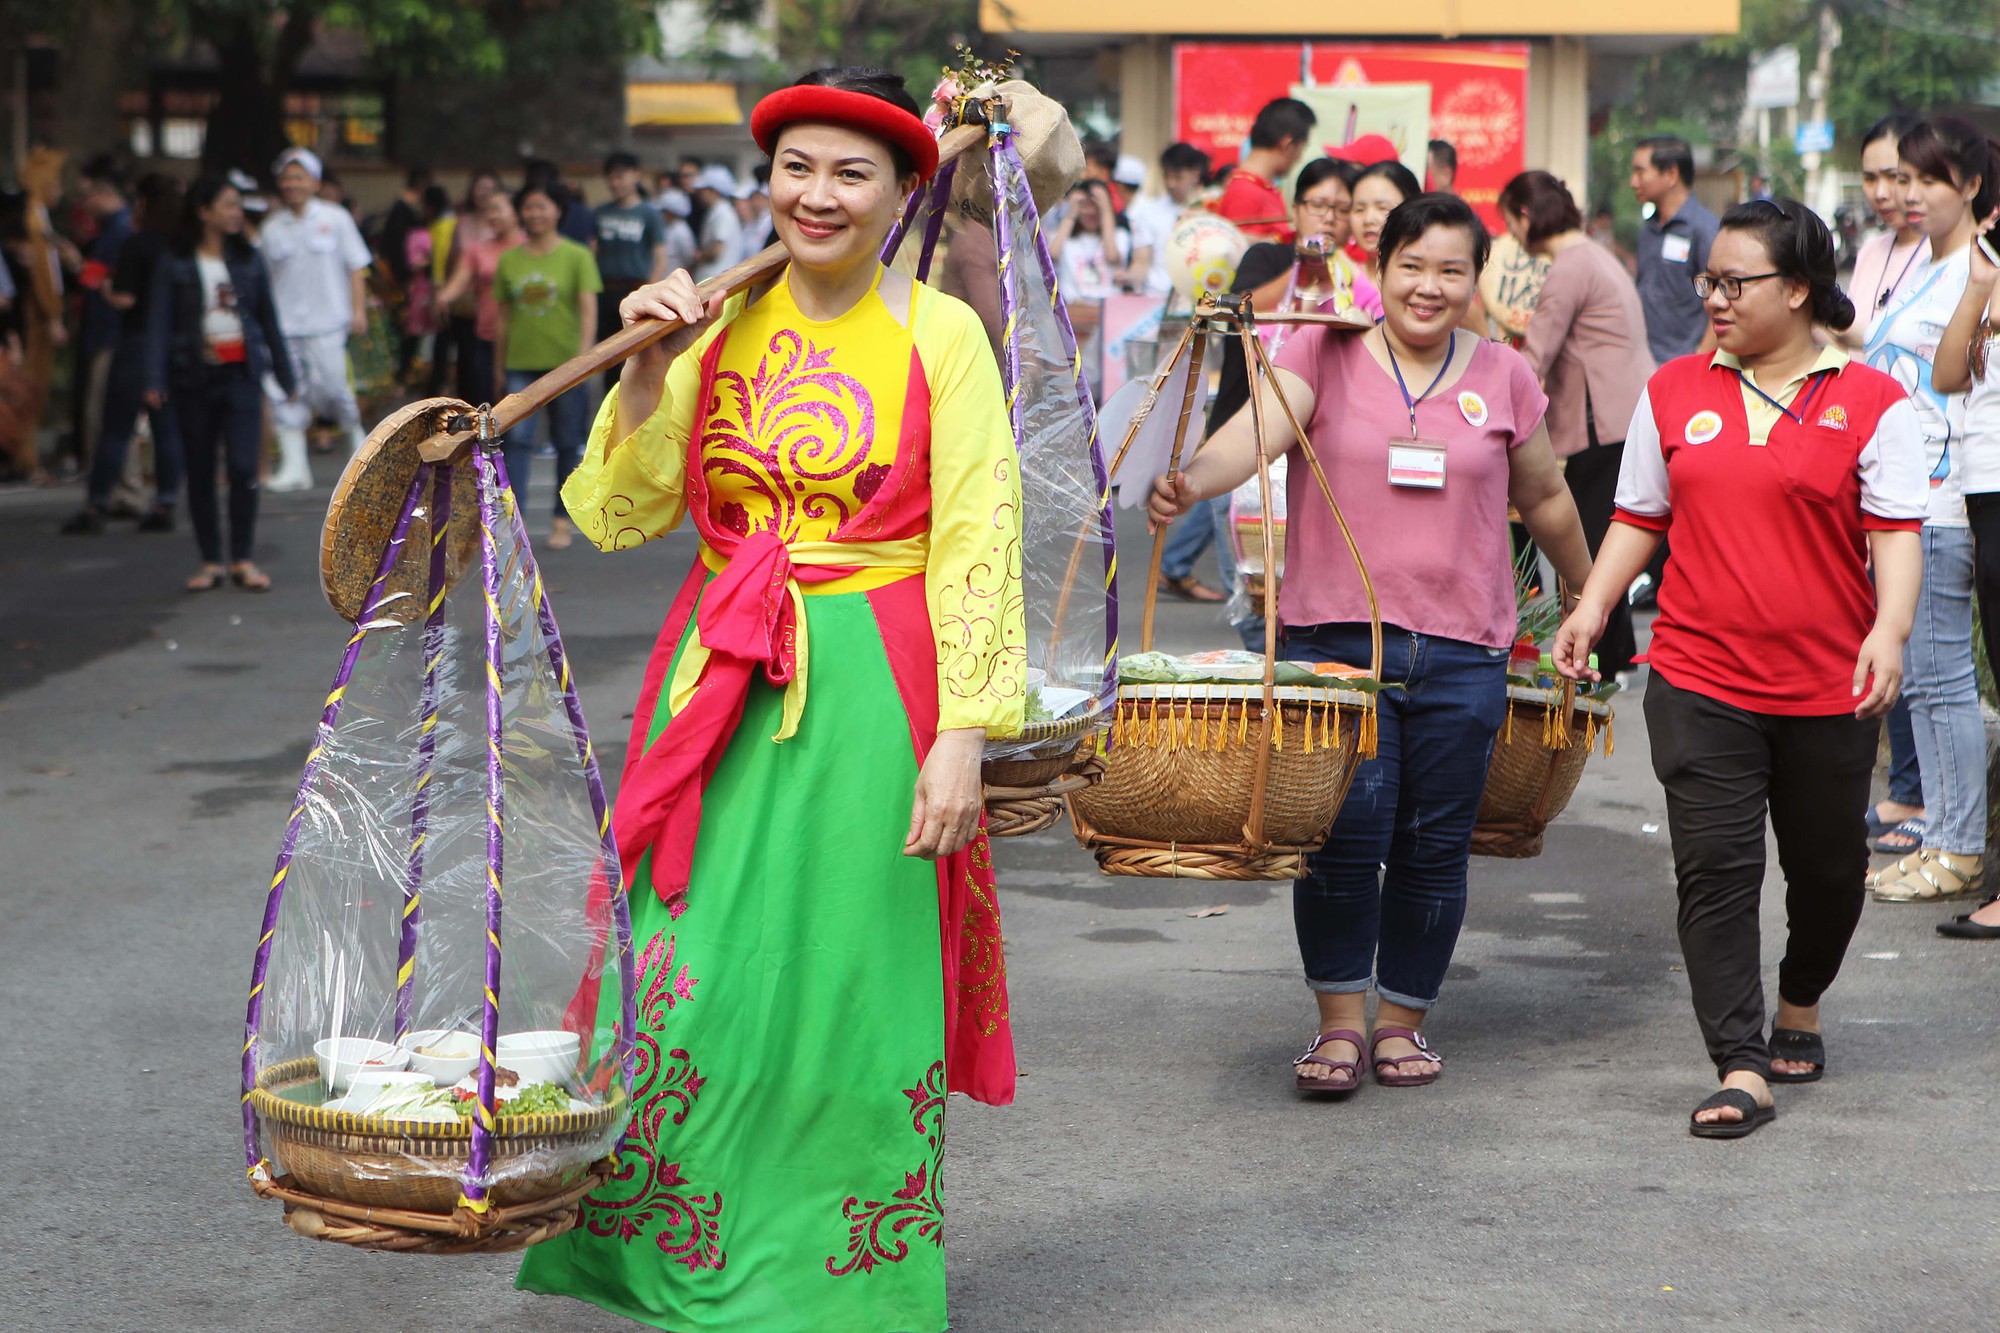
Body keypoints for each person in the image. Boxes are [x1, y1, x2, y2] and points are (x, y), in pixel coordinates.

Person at [513, 64, 1024, 1331]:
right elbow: (619, 513)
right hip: (718, 683)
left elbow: (977, 535)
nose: (816, 193)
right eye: (796, 166)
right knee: (694, 966)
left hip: (871, 684)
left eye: (851, 171)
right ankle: (668, 1251)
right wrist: (646, 369)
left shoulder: (940, 335)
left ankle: (832, 1280)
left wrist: (960, 738)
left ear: (905, 190)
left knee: (848, 983)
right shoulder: (717, 318)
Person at [1147, 192, 1593, 1098]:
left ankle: (1404, 1020)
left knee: (1434, 842)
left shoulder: (1504, 373)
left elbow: (1543, 494)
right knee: (1345, 835)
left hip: (1466, 648)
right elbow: (1257, 434)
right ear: (1380, 267)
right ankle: (1340, 1025)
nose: (1430, 288)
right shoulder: (1323, 348)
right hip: (1337, 645)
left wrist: (1587, 590)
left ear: (1477, 280)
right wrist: (1191, 480)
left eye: (1451, 271)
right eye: (1412, 266)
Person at [1553, 199, 1925, 1136]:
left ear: (1798, 290)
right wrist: (1593, 606)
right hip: (1700, 672)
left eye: (1735, 283)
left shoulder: (1872, 400)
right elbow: (1640, 512)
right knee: (1714, 870)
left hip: (1826, 684)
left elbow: (1895, 533)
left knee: (1831, 869)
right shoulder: (1675, 388)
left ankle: (1799, 999)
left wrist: (1890, 629)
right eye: (1706, 281)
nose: (1712, 299)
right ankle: (1741, 1059)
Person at [1862, 116, 1994, 905]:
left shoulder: (1976, 270)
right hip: (1905, 500)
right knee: (1922, 681)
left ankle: (1959, 845)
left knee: (1944, 684)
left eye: (1927, 180)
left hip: (1944, 500)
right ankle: (1942, 835)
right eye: (1902, 178)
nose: (1909, 194)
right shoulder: (1923, 266)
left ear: (1972, 187)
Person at [1501, 169, 1657, 677]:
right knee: (1602, 539)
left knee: (1588, 545)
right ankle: (1613, 658)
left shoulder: (1570, 266)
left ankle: (1601, 661)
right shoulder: (1594, 254)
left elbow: (1535, 357)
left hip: (1603, 423)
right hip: (1625, 414)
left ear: (1525, 218)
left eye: (1510, 224)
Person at [1843, 111, 1931, 857]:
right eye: (1873, 177)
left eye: (1899, 176)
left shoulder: (1950, 255)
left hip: (1931, 460)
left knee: (1918, 633)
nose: (1885, 191)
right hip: (1865, 449)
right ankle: (1905, 785)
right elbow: (1860, 336)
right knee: (1886, 618)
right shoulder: (1872, 250)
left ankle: (1920, 795)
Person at [144, 175, 296, 593]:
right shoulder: (174, 262)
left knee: (245, 468)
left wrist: (284, 374)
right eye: (228, 205)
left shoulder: (248, 259)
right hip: (193, 376)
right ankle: (211, 560)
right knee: (200, 467)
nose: (236, 214)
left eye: (238, 206)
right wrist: (154, 377)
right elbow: (158, 322)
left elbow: (268, 320)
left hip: (241, 376)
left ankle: (243, 559)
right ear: (203, 211)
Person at [60, 172, 183, 536]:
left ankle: (96, 501)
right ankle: (166, 501)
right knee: (166, 428)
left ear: (144, 205)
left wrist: (104, 285)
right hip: (170, 344)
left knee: (115, 426)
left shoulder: (137, 244)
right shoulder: (179, 246)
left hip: (135, 342)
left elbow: (123, 298)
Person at [492, 182, 601, 549]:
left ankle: (561, 521)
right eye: (528, 207)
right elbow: (503, 317)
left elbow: (588, 309)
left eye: (542, 206)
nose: (534, 214)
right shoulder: (510, 259)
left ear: (557, 211)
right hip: (520, 364)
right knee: (516, 444)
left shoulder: (576, 255)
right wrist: (499, 363)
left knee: (568, 443)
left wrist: (585, 360)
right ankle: (515, 523)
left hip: (566, 366)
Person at [260, 147, 372, 491]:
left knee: (335, 387)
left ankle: (362, 457)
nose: (292, 184)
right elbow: (263, 278)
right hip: (285, 326)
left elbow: (356, 266)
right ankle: (295, 467)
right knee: (285, 393)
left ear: (314, 181)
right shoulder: (272, 227)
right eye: (287, 178)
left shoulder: (335, 218)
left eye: (299, 177)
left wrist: (359, 310)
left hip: (328, 323)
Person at [1630, 135, 1720, 365]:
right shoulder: (1648, 230)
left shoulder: (1704, 230)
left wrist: (1699, 359)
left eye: (1641, 172)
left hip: (1686, 364)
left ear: (1671, 174)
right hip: (1646, 363)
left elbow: (1720, 299)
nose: (1633, 181)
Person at [434, 186, 523, 410]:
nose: (492, 216)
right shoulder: (478, 249)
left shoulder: (529, 247)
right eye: (488, 211)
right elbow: (458, 281)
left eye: (498, 209)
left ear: (516, 212)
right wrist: (442, 299)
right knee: (488, 404)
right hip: (487, 335)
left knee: (520, 406)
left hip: (524, 338)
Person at [593, 151, 667, 396]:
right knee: (607, 355)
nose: (616, 182)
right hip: (605, 291)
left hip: (635, 289)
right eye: (611, 177)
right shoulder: (601, 213)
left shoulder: (649, 214)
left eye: (621, 176)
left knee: (635, 353)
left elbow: (660, 254)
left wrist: (650, 288)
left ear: (636, 176)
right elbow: (593, 252)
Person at [1047, 178, 1128, 393]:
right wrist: (1071, 214)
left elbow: (1112, 255)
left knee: (1103, 380)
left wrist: (1106, 210)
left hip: (1106, 319)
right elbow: (1051, 255)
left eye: (1096, 206)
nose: (1090, 212)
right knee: (1074, 381)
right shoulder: (1065, 238)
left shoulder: (1118, 236)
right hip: (1074, 316)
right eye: (1086, 206)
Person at [1212, 97, 1318, 243]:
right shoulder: (1245, 193)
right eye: (1301, 148)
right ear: (1287, 144)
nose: (1299, 157)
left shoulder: (1261, 188)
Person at [1122, 141, 1210, 297]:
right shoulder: (1148, 213)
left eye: (1178, 177)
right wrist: (1130, 279)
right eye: (1166, 177)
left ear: (1195, 174)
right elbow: (1141, 260)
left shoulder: (1210, 211)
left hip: (1201, 298)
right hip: (1158, 297)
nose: (1171, 184)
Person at [1348, 159, 1423, 282]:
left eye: (1382, 208)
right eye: (1359, 209)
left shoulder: (1423, 283)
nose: (1368, 219)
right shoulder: (1341, 279)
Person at [690, 164, 743, 281]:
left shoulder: (723, 213)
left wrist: (699, 255)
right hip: (711, 277)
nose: (700, 194)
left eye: (703, 190)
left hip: (717, 279)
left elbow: (716, 250)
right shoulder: (715, 211)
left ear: (714, 190)